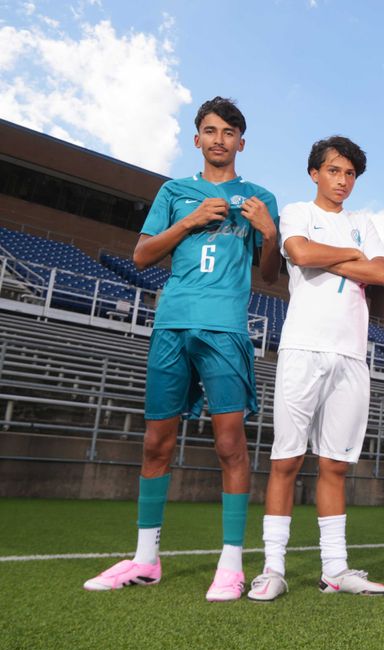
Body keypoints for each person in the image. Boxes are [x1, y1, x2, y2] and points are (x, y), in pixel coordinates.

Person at [84, 97, 280, 601]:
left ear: (241, 142)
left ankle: (231, 565)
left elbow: (269, 274)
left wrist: (270, 233)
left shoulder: (260, 198)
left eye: (229, 132)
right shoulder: (174, 192)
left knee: (230, 445)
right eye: (210, 131)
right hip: (172, 324)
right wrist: (189, 221)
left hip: (225, 329)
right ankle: (145, 559)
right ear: (197, 139)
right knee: (156, 443)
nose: (219, 139)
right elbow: (142, 255)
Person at [247, 137, 384, 601]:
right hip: (303, 348)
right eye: (333, 171)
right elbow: (300, 254)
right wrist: (353, 256)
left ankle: (335, 569)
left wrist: (334, 255)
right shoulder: (297, 212)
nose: (342, 180)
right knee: (286, 459)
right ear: (315, 173)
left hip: (351, 355)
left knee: (334, 464)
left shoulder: (362, 222)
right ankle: (273, 568)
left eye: (349, 174)